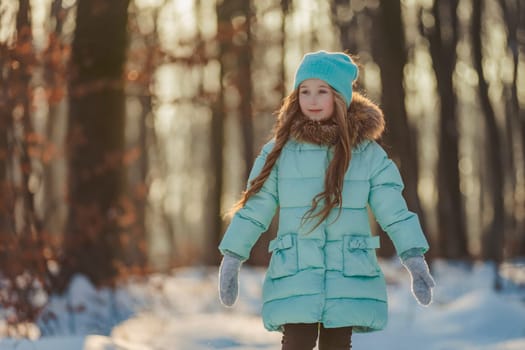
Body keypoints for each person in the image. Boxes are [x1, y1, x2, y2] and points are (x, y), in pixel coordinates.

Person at [217, 50, 435, 350]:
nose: (313, 100)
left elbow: (393, 209)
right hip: (296, 269)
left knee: (336, 344)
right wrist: (233, 256)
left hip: (347, 271)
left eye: (323, 91)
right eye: (305, 91)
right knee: (296, 341)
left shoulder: (366, 154)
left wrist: (413, 256)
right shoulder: (279, 153)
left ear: (340, 97)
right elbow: (256, 208)